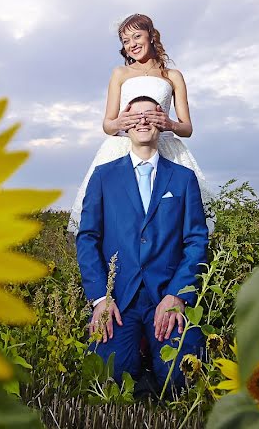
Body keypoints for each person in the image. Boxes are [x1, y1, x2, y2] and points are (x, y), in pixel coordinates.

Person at [76, 95, 208, 393]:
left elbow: (196, 240)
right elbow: (87, 238)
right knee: (108, 377)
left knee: (182, 377)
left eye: (150, 114)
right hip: (118, 298)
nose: (143, 121)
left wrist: (178, 295)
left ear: (161, 123)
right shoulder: (103, 176)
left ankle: (157, 374)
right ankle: (140, 371)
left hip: (166, 294)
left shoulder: (183, 179)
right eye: (135, 116)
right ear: (125, 126)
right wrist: (100, 299)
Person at [68, 13, 216, 235]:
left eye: (137, 36)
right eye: (125, 41)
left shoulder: (173, 76)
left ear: (152, 36)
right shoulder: (120, 74)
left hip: (164, 148)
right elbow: (108, 125)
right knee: (119, 214)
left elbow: (187, 129)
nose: (132, 44)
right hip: (124, 147)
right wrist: (119, 121)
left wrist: (170, 123)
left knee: (172, 217)